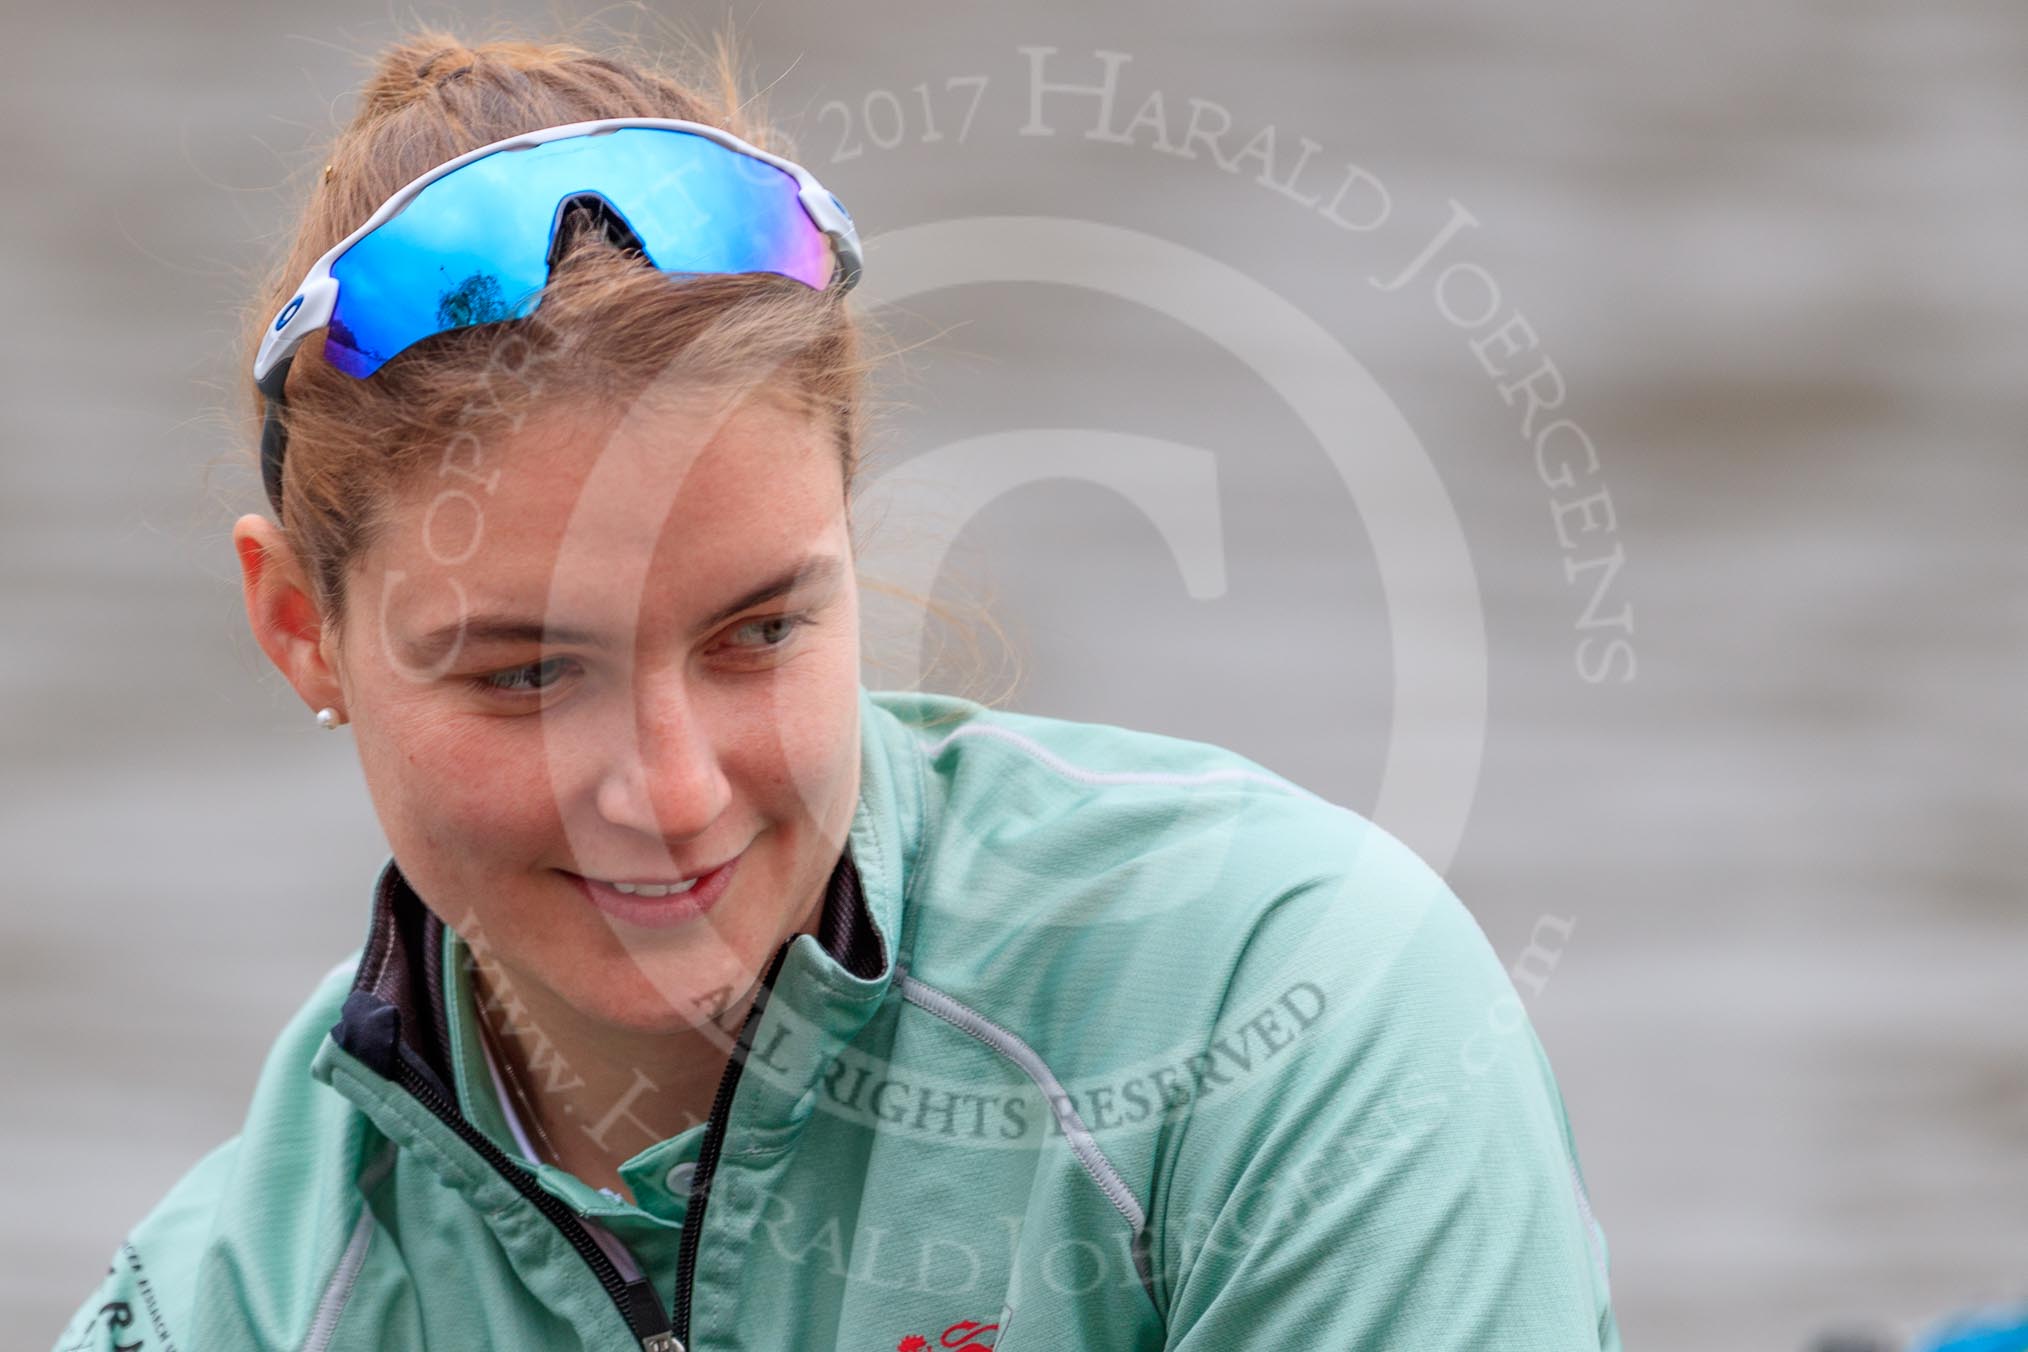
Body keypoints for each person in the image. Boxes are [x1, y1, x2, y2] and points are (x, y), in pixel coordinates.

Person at [55, 28, 1620, 1352]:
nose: (669, 796)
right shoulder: (221, 1307)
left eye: (757, 633)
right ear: (297, 627)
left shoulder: (1295, 1015)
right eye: (528, 673)